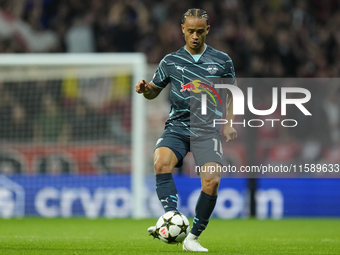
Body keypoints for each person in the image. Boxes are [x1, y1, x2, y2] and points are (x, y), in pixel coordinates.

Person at [135, 8, 237, 252]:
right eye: (190, 31)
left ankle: (192, 238)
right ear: (182, 30)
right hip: (178, 127)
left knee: (211, 181)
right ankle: (171, 220)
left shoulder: (222, 60)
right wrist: (145, 89)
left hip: (208, 130)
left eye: (200, 32)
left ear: (207, 31)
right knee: (160, 162)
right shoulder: (170, 61)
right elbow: (153, 92)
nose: (195, 36)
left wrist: (229, 122)